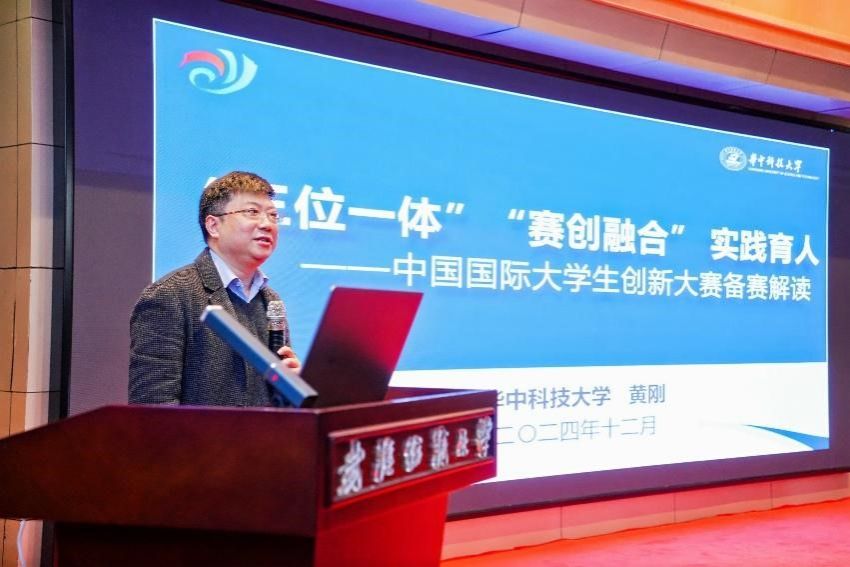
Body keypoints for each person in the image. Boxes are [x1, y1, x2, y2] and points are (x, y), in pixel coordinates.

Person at [129, 171, 300, 406]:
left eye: (273, 215)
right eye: (252, 212)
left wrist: (291, 389)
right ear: (213, 225)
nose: (266, 224)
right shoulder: (171, 295)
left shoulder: (271, 301)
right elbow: (153, 407)